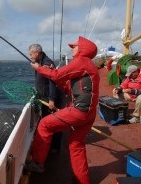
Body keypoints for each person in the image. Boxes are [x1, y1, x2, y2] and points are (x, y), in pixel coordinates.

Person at [25, 36, 99, 184]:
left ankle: (38, 164)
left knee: (44, 125)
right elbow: (68, 86)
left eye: (75, 46)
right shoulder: (88, 65)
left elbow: (58, 75)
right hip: (89, 114)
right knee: (75, 145)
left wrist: (39, 68)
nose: (72, 48)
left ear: (83, 49)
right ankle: (82, 181)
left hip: (79, 112)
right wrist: (52, 73)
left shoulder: (82, 61)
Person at [28, 44, 63, 152]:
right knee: (46, 121)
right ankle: (49, 144)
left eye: (31, 54)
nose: (30, 56)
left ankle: (55, 147)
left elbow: (52, 82)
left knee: (55, 122)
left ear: (37, 53)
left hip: (49, 99)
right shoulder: (40, 63)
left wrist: (52, 99)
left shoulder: (47, 63)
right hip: (44, 98)